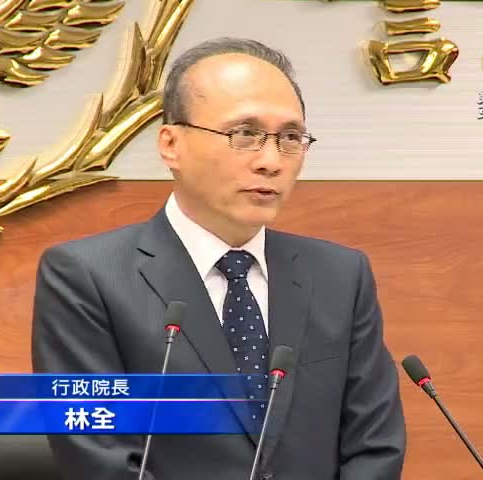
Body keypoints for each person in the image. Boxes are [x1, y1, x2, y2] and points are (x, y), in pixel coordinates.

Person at [32, 37, 406, 480]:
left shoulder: (341, 276)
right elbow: (99, 455)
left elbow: (374, 445)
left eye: (290, 138)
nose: (271, 161)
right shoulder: (87, 276)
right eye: (244, 135)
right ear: (171, 144)